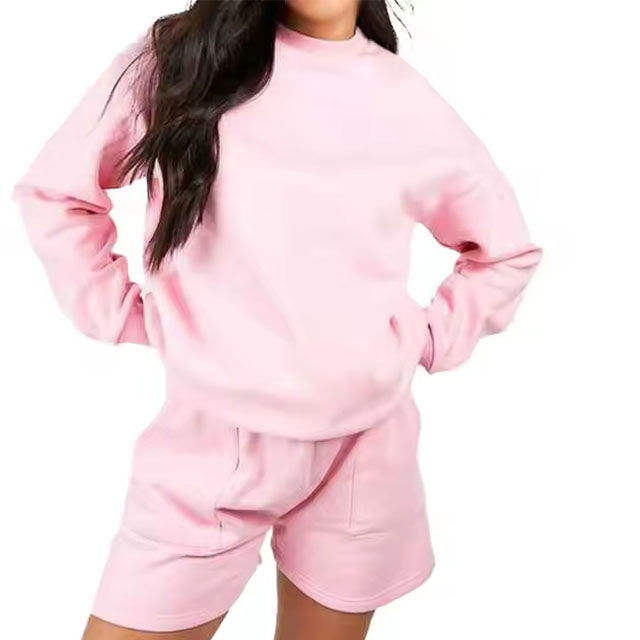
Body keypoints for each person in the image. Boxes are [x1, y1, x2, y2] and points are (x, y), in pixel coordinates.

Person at [12, 1, 542, 638]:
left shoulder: (406, 101)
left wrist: (423, 341)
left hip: (364, 449)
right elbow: (57, 193)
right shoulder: (180, 60)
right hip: (212, 443)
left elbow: (505, 252)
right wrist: (122, 312)